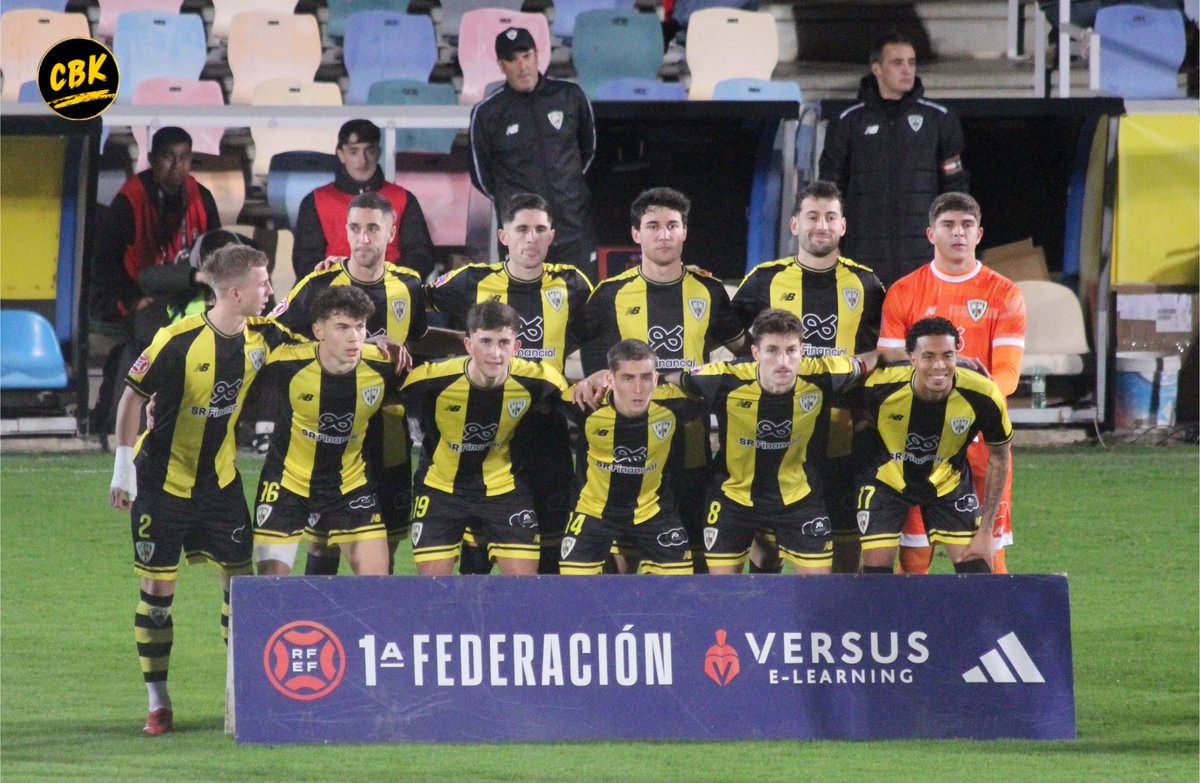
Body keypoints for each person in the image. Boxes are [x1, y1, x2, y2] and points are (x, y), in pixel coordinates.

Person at [107, 244, 284, 736]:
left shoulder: (264, 336)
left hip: (220, 484)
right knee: (157, 594)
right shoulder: (177, 341)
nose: (269, 290)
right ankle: (158, 701)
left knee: (240, 588)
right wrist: (123, 468)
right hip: (162, 484)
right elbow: (131, 399)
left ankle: (242, 693)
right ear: (235, 293)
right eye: (262, 283)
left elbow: (317, 331)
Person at [578, 187, 745, 568]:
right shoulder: (609, 295)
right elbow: (595, 367)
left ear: (685, 231)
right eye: (653, 226)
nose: (664, 234)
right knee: (621, 558)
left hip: (691, 439)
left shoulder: (710, 290)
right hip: (629, 445)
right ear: (636, 233)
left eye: (672, 225)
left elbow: (743, 352)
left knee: (688, 556)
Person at [426, 193, 593, 573]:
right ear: (503, 236)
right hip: (486, 432)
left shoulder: (573, 284)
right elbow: (407, 304)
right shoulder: (472, 281)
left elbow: (597, 332)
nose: (531, 238)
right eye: (522, 229)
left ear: (552, 236)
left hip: (546, 429)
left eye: (540, 229)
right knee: (478, 552)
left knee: (550, 543)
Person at [731, 180, 885, 573]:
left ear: (843, 226)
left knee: (845, 542)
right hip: (777, 435)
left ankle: (839, 610)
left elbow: (882, 347)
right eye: (812, 216)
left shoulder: (866, 284)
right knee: (767, 546)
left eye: (830, 217)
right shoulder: (764, 279)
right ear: (795, 224)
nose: (822, 225)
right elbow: (734, 340)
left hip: (844, 434)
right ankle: (767, 610)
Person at [271, 191, 427, 575]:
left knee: (386, 543)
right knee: (323, 543)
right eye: (355, 228)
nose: (363, 238)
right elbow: (273, 338)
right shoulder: (319, 284)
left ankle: (372, 614)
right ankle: (318, 612)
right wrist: (363, 345)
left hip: (388, 429)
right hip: (332, 432)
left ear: (391, 233)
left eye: (373, 228)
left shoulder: (409, 286)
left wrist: (467, 346)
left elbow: (419, 341)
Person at [876, 192, 1025, 574]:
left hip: (979, 439)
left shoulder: (1004, 294)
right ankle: (915, 618)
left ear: (979, 234)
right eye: (948, 225)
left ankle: (991, 615)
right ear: (931, 233)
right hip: (917, 441)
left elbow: (1007, 375)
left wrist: (965, 398)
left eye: (966, 225)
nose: (958, 232)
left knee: (987, 553)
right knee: (914, 554)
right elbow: (889, 362)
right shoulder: (904, 291)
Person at [682, 309, 875, 574]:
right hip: (733, 497)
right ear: (755, 352)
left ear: (802, 351)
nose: (783, 361)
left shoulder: (826, 373)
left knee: (818, 590)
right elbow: (670, 382)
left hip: (799, 498)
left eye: (791, 350)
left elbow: (871, 360)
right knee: (723, 592)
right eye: (772, 350)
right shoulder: (720, 378)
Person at [399, 300, 568, 576]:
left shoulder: (542, 380)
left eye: (504, 342)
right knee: (434, 590)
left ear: (516, 347)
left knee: (524, 589)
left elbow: (582, 402)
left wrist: (598, 381)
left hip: (505, 491)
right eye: (486, 341)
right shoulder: (430, 380)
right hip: (440, 490)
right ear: (468, 345)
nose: (495, 353)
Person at [252, 286, 396, 578]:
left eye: (360, 327)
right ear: (318, 331)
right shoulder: (286, 362)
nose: (354, 337)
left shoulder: (385, 365)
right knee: (269, 590)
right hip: (287, 483)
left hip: (350, 486)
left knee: (378, 587)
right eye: (342, 327)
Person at [90, 127, 220, 434]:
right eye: (168, 157)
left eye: (184, 157)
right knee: (143, 339)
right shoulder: (130, 199)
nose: (177, 166)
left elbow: (216, 251)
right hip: (139, 292)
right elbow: (106, 260)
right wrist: (132, 298)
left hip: (187, 294)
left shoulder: (202, 197)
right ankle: (123, 422)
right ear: (151, 159)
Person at [857, 317, 1012, 574]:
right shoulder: (879, 386)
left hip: (948, 482)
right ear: (911, 359)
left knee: (977, 572)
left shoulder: (983, 393)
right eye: (928, 356)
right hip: (887, 481)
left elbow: (1000, 455)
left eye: (947, 355)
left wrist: (986, 530)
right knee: (876, 580)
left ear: (957, 356)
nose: (939, 365)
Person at [818, 32, 969, 287]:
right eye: (897, 63)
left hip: (922, 255)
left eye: (911, 62)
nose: (907, 70)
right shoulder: (848, 120)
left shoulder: (939, 118)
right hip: (863, 253)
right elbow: (829, 187)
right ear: (876, 68)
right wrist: (830, 243)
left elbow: (956, 188)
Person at [559, 340, 701, 575]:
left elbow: (721, 382)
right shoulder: (585, 401)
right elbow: (547, 388)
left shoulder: (675, 403)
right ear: (611, 380)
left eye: (645, 378)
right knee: (574, 590)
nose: (638, 389)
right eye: (627, 378)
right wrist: (588, 380)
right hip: (593, 513)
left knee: (678, 590)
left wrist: (674, 378)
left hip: (654, 514)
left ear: (655, 379)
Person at [468, 26, 597, 277]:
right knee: (523, 302)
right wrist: (513, 204)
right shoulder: (487, 112)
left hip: (573, 228)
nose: (522, 66)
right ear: (501, 65)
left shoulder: (570, 95)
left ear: (538, 56)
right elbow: (481, 177)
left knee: (584, 300)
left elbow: (588, 151)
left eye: (526, 56)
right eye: (512, 60)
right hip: (521, 238)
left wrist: (566, 190)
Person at [292, 119, 435, 280]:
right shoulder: (316, 201)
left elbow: (420, 254)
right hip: (333, 290)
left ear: (378, 153)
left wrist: (391, 282)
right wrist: (339, 282)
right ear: (341, 154)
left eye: (369, 151)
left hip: (391, 288)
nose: (362, 160)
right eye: (354, 152)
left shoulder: (403, 199)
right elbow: (305, 260)